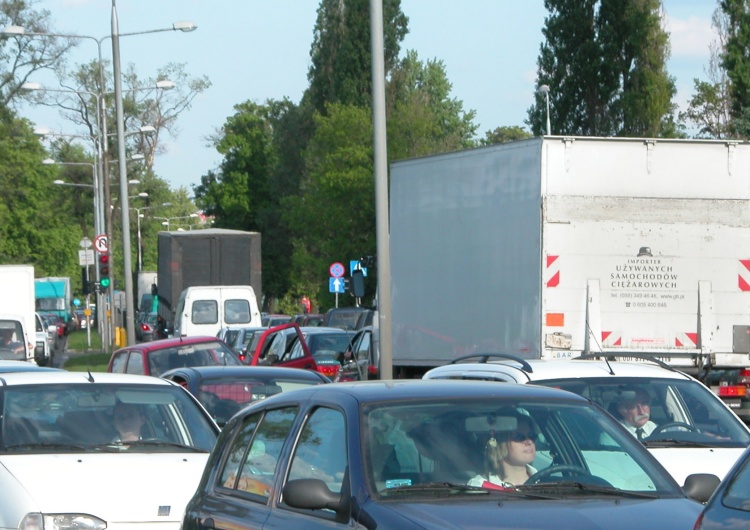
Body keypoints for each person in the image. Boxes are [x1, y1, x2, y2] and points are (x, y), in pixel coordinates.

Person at [468, 414, 538, 489]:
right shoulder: (479, 486)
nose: (529, 441)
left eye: (532, 435)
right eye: (520, 437)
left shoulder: (546, 482)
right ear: (500, 443)